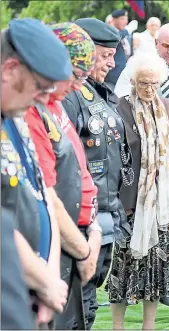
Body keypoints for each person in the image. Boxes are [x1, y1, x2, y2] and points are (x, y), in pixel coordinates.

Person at [23, 22, 103, 330]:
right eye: (77, 75)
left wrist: (93, 230)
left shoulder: (56, 106)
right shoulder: (32, 113)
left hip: (75, 240)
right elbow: (46, 196)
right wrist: (83, 250)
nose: (79, 85)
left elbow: (81, 174)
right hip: (56, 249)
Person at [105, 51, 169, 330]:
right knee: (123, 265)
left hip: (163, 204)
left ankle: (148, 325)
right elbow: (117, 157)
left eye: (154, 83)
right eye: (143, 83)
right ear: (132, 81)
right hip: (130, 202)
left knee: (157, 265)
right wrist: (121, 202)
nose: (149, 89)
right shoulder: (120, 108)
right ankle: (118, 325)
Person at [115, 22, 169, 308]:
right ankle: (128, 291)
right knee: (131, 240)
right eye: (167, 46)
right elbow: (121, 114)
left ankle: (167, 288)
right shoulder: (132, 73)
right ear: (156, 43)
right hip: (137, 175)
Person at [0, 18, 71, 329]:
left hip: (29, 297)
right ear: (9, 69)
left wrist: (49, 279)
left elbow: (43, 197)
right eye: (40, 87)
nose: (45, 99)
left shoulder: (15, 118)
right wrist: (45, 281)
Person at [61, 17, 130, 329]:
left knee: (89, 299)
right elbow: (66, 163)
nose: (112, 63)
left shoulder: (101, 92)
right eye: (105, 56)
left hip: (104, 213)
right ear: (83, 56)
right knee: (79, 305)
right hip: (81, 217)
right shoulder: (69, 95)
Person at [104, 9, 138, 90]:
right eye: (122, 19)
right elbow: (115, 37)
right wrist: (127, 30)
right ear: (113, 20)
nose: (125, 22)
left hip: (126, 77)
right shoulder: (110, 32)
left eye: (126, 19)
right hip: (112, 77)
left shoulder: (126, 35)